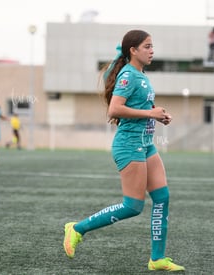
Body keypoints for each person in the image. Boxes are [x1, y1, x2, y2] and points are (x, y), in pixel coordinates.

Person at [63, 30, 185, 272]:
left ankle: (157, 259)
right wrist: (150, 113)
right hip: (129, 146)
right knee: (133, 206)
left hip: (146, 143)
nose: (152, 50)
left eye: (152, 46)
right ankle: (77, 229)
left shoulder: (141, 74)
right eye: (147, 46)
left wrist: (157, 116)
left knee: (162, 197)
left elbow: (138, 107)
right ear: (133, 50)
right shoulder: (128, 75)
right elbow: (114, 110)